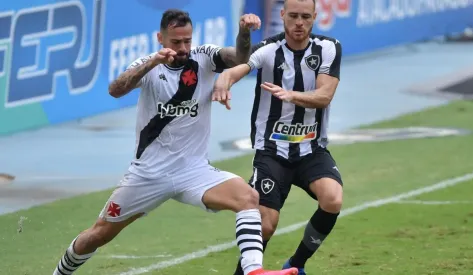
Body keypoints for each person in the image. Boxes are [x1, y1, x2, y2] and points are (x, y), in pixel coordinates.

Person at [52, 9, 298, 275]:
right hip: (148, 174)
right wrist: (153, 62)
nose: (182, 48)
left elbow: (239, 57)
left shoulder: (204, 57)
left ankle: (253, 271)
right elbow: (115, 90)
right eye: (175, 42)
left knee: (248, 197)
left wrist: (244, 33)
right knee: (99, 234)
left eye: (187, 41)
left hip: (193, 171)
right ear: (160, 38)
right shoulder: (149, 65)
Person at [212, 0, 343, 274]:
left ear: (314, 17)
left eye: (305, 17)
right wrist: (225, 81)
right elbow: (239, 67)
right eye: (293, 15)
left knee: (332, 199)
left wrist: (292, 95)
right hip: (272, 152)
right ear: (282, 15)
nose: (299, 22)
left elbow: (324, 96)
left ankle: (296, 265)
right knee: (266, 225)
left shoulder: (328, 48)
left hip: (311, 149)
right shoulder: (268, 50)